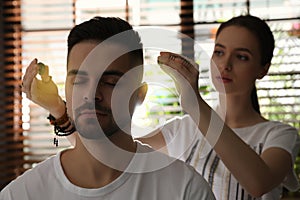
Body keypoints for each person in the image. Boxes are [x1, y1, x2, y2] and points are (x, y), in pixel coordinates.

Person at [17, 14, 300, 199]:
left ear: (264, 68)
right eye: (219, 51)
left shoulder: (277, 135)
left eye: (241, 56)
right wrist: (57, 108)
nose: (225, 64)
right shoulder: (183, 130)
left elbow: (259, 182)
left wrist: (195, 104)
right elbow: (104, 149)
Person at [0, 16, 216, 200]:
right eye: (79, 81)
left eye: (111, 82)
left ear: (140, 96)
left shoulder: (184, 190)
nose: (91, 95)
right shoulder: (22, 195)